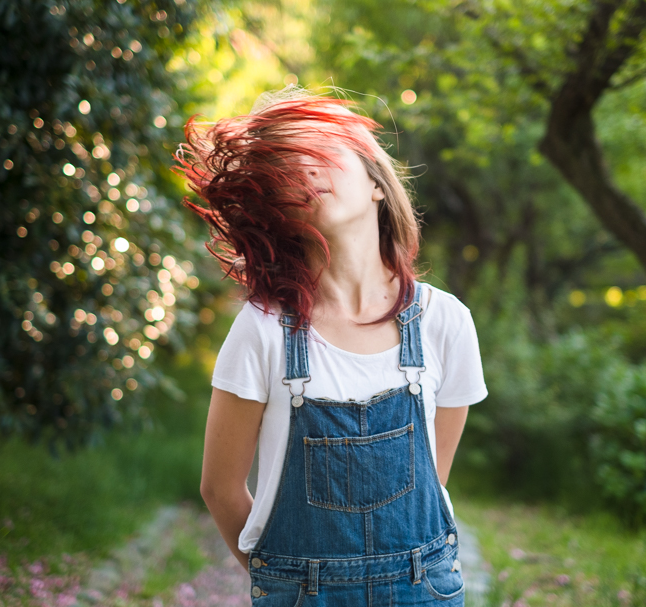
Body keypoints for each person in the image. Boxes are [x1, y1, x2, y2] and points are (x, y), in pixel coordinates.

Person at [176, 87, 487, 606]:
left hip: (425, 591)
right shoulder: (262, 330)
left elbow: (432, 481)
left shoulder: (445, 323)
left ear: (377, 186)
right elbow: (220, 489)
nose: (305, 170)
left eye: (319, 152)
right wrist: (283, 582)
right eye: (286, 168)